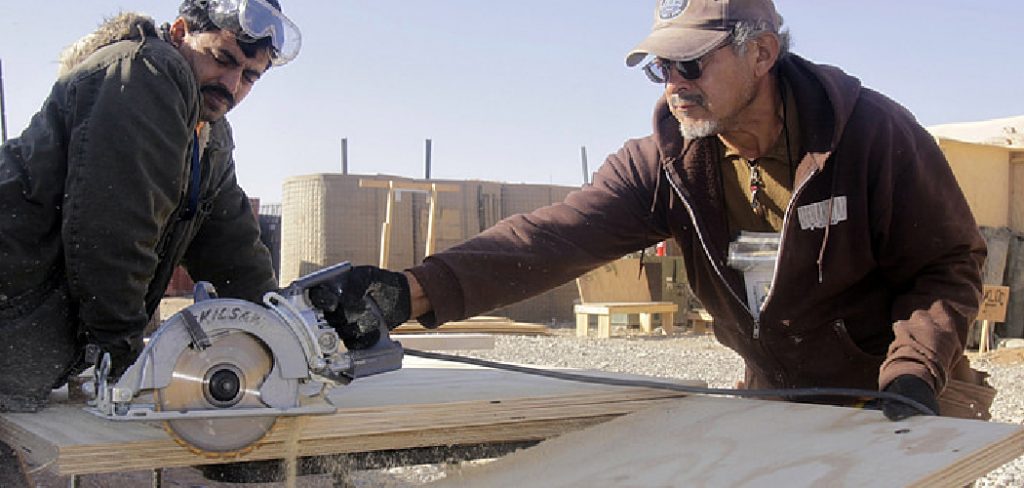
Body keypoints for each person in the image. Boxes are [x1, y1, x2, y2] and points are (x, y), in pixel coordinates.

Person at [320, 0, 993, 422]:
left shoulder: (870, 135)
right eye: (659, 69)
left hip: (905, 398)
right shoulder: (666, 164)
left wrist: (913, 369)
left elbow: (948, 263)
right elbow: (554, 238)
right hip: (779, 399)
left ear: (761, 53)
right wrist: (409, 291)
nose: (674, 86)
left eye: (691, 66)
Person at [0, 1, 300, 480]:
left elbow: (234, 251)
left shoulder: (209, 137)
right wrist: (124, 355)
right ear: (180, 31)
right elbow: (112, 226)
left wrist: (284, 339)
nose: (232, 85)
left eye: (250, 76)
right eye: (222, 59)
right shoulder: (147, 71)